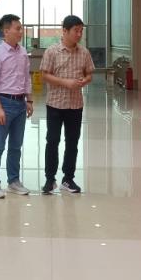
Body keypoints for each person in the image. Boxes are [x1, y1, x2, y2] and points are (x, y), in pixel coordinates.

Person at [40, 15, 94, 195]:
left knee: (72, 142)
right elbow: (44, 75)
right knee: (52, 140)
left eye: (81, 31)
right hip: (55, 104)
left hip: (75, 105)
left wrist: (84, 81)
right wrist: (65, 82)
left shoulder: (84, 52)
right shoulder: (52, 51)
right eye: (76, 31)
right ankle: (50, 179)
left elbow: (89, 74)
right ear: (64, 31)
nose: (79, 34)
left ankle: (68, 179)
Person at [0, 14, 33, 199]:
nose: (21, 31)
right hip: (4, 103)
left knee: (16, 146)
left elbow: (27, 78)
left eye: (21, 28)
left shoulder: (23, 52)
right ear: (6, 31)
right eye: (17, 28)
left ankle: (13, 181)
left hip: (20, 104)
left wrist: (29, 100)